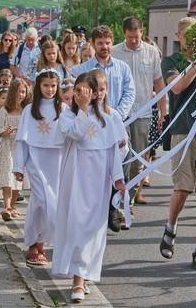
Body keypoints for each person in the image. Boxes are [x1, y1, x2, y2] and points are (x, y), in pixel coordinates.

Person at [52, 71, 127, 303]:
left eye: (86, 92)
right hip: (76, 179)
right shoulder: (67, 116)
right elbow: (75, 133)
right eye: (78, 91)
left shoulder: (111, 117)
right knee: (77, 225)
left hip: (98, 181)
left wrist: (118, 177)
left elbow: (116, 149)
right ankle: (77, 279)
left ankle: (84, 275)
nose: (80, 95)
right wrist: (83, 109)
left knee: (93, 229)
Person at [69, 25, 135, 232]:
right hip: (92, 125)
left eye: (107, 42)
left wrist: (116, 116)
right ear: (93, 44)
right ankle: (93, 206)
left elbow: (129, 92)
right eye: (100, 43)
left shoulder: (122, 67)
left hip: (116, 122)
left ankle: (113, 206)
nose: (105, 46)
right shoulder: (81, 69)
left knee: (121, 162)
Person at [159, 17, 196, 271]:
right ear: (179, 35)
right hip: (182, 131)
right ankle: (171, 226)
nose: (193, 40)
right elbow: (177, 87)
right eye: (188, 35)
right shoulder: (171, 61)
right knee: (182, 188)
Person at [13, 69, 66, 267]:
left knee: (51, 202)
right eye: (46, 85)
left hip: (56, 160)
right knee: (41, 201)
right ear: (38, 86)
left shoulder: (64, 109)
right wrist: (19, 166)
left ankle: (39, 243)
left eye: (53, 86)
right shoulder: (29, 110)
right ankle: (32, 243)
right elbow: (22, 141)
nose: (50, 89)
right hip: (36, 159)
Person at [112, 17, 167, 206]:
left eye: (136, 37)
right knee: (122, 158)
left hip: (144, 113)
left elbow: (159, 82)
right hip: (121, 115)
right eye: (129, 37)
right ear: (123, 34)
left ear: (142, 33)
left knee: (139, 159)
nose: (133, 41)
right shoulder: (115, 52)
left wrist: (163, 110)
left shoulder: (152, 52)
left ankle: (131, 199)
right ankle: (120, 201)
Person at [0, 78, 31, 222]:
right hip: (7, 147)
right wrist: (6, 132)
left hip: (21, 148)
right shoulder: (5, 110)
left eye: (23, 92)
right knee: (7, 177)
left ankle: (13, 206)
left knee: (18, 178)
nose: (20, 95)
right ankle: (7, 206)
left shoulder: (28, 110)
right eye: (18, 92)